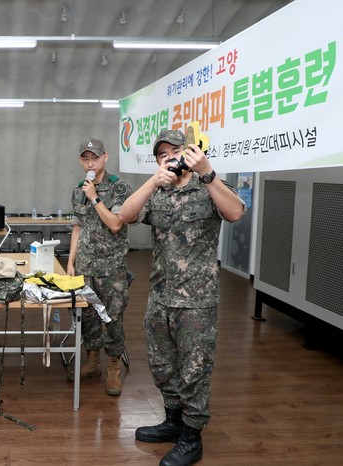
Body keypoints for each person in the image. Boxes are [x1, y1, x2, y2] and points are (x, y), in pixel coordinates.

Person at [118, 129, 245, 466]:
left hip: (197, 302)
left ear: (189, 152)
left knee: (194, 371)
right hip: (160, 297)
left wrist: (208, 172)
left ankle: (191, 437)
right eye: (162, 154)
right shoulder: (157, 192)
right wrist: (151, 182)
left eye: (175, 151)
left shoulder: (208, 186)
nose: (169, 158)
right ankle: (173, 422)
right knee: (162, 366)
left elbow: (235, 212)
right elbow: (124, 216)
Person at [67, 138, 134, 396]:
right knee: (88, 316)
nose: (90, 163)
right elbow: (78, 228)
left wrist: (94, 198)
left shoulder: (119, 188)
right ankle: (93, 360)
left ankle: (114, 365)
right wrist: (71, 261)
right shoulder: (78, 191)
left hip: (111, 268)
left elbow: (116, 224)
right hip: (85, 266)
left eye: (94, 158)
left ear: (105, 157)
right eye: (85, 159)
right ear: (80, 161)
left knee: (113, 318)